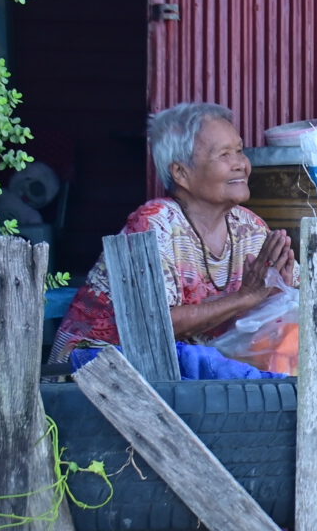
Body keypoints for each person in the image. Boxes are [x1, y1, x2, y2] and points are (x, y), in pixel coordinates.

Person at [54, 101, 296, 370]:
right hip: (95, 369)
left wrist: (277, 292)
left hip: (180, 372)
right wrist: (246, 297)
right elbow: (154, 325)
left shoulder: (250, 228)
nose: (240, 164)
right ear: (181, 173)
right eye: (224, 155)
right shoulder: (154, 225)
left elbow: (281, 303)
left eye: (239, 151)